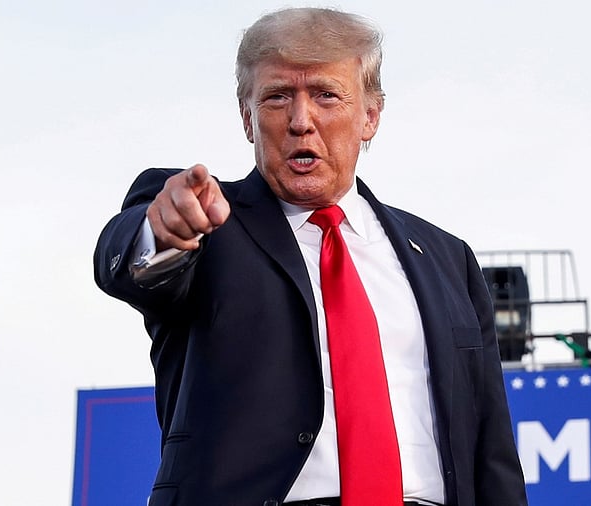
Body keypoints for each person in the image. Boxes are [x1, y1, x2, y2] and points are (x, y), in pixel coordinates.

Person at [94, 7, 527, 506]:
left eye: (326, 94)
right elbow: (130, 259)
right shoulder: (211, 223)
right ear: (247, 118)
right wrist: (166, 231)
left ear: (370, 115)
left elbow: (491, 447)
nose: (302, 121)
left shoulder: (447, 258)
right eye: (278, 97)